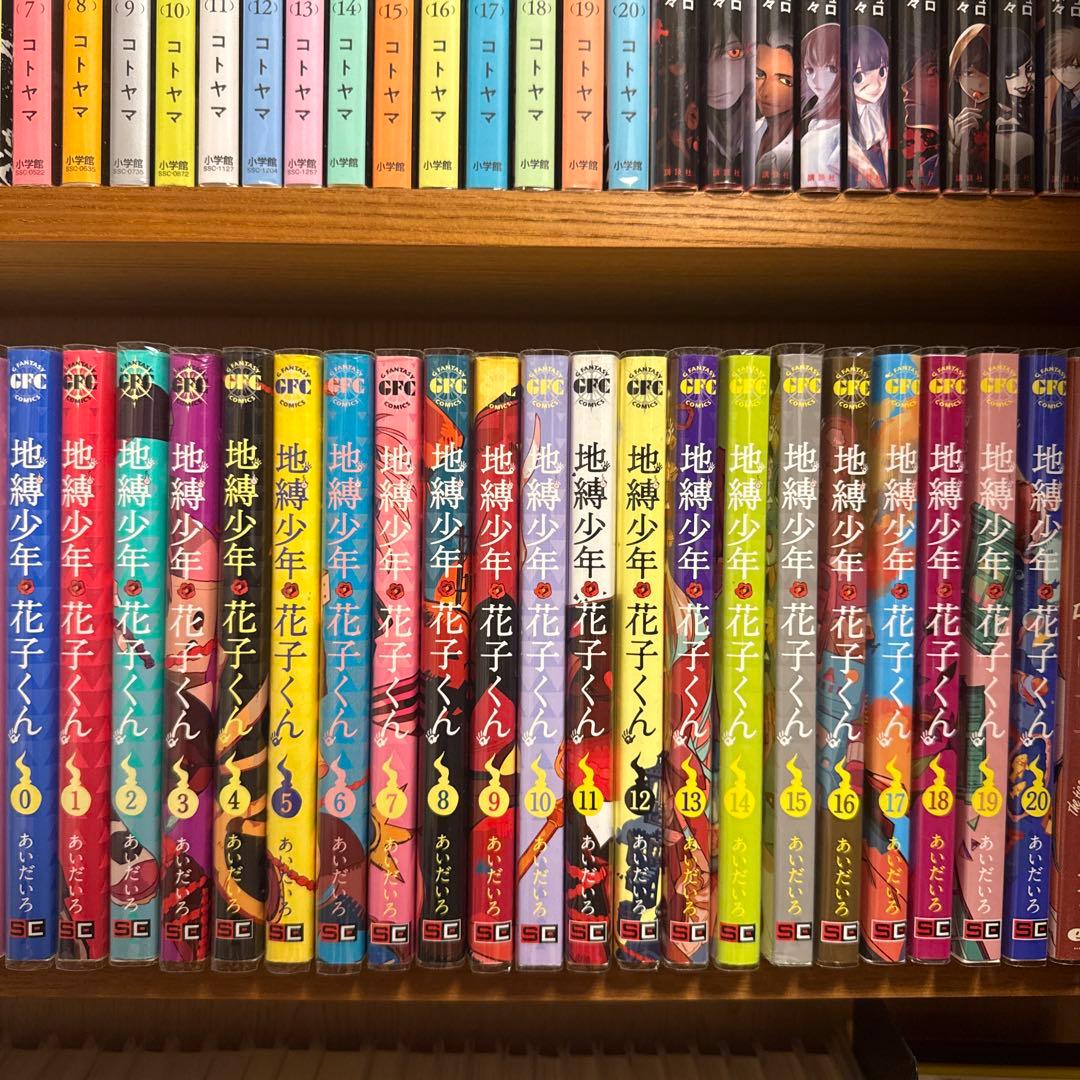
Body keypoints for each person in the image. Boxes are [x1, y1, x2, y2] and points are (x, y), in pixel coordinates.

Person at [847, 24, 890, 188]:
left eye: (882, 72)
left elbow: (885, 143)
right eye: (859, 77)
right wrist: (880, 183)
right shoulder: (840, 116)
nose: (876, 85)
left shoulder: (877, 108)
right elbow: (851, 151)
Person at [800, 22, 841, 188]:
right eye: (809, 70)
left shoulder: (845, 130)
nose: (816, 80)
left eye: (831, 68)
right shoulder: (816, 123)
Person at [752, 32, 794, 187]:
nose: (765, 92)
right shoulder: (750, 132)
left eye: (784, 80)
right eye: (759, 74)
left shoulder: (807, 147)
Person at [1046, 26, 1080, 187]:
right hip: (1055, 169)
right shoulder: (1052, 92)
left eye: (1073, 66)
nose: (1064, 74)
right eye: (1058, 67)